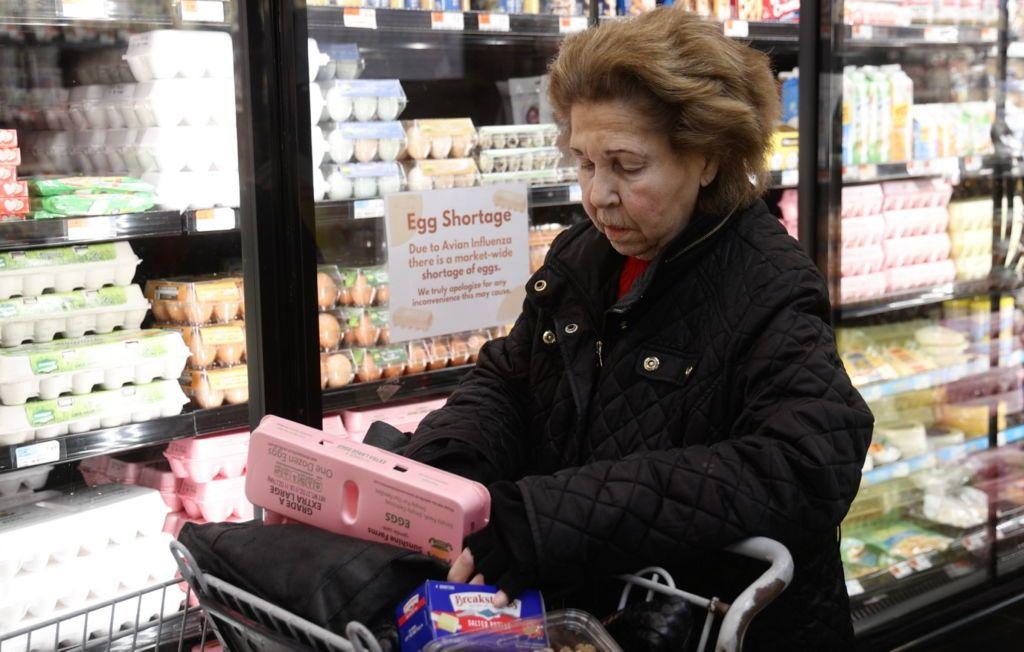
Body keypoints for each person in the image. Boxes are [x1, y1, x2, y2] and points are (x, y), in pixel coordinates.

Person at [404, 7, 873, 650]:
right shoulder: (582, 257)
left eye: (626, 166)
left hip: (711, 626)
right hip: (597, 618)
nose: (597, 195)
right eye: (584, 162)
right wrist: (450, 464)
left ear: (706, 158)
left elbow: (807, 461)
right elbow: (513, 378)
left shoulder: (767, 282)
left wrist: (547, 520)